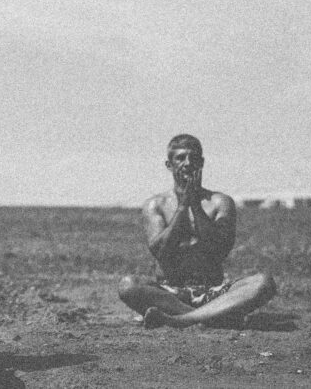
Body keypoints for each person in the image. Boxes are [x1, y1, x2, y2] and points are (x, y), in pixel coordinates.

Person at [118, 134, 276, 329]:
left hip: (213, 291)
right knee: (128, 285)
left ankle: (181, 319)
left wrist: (196, 206)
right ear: (169, 165)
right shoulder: (155, 205)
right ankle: (215, 317)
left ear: (201, 163)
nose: (187, 163)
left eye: (193, 158)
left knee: (263, 282)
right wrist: (183, 208)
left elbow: (219, 250)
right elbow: (161, 252)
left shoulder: (220, 202)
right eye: (180, 158)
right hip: (170, 293)